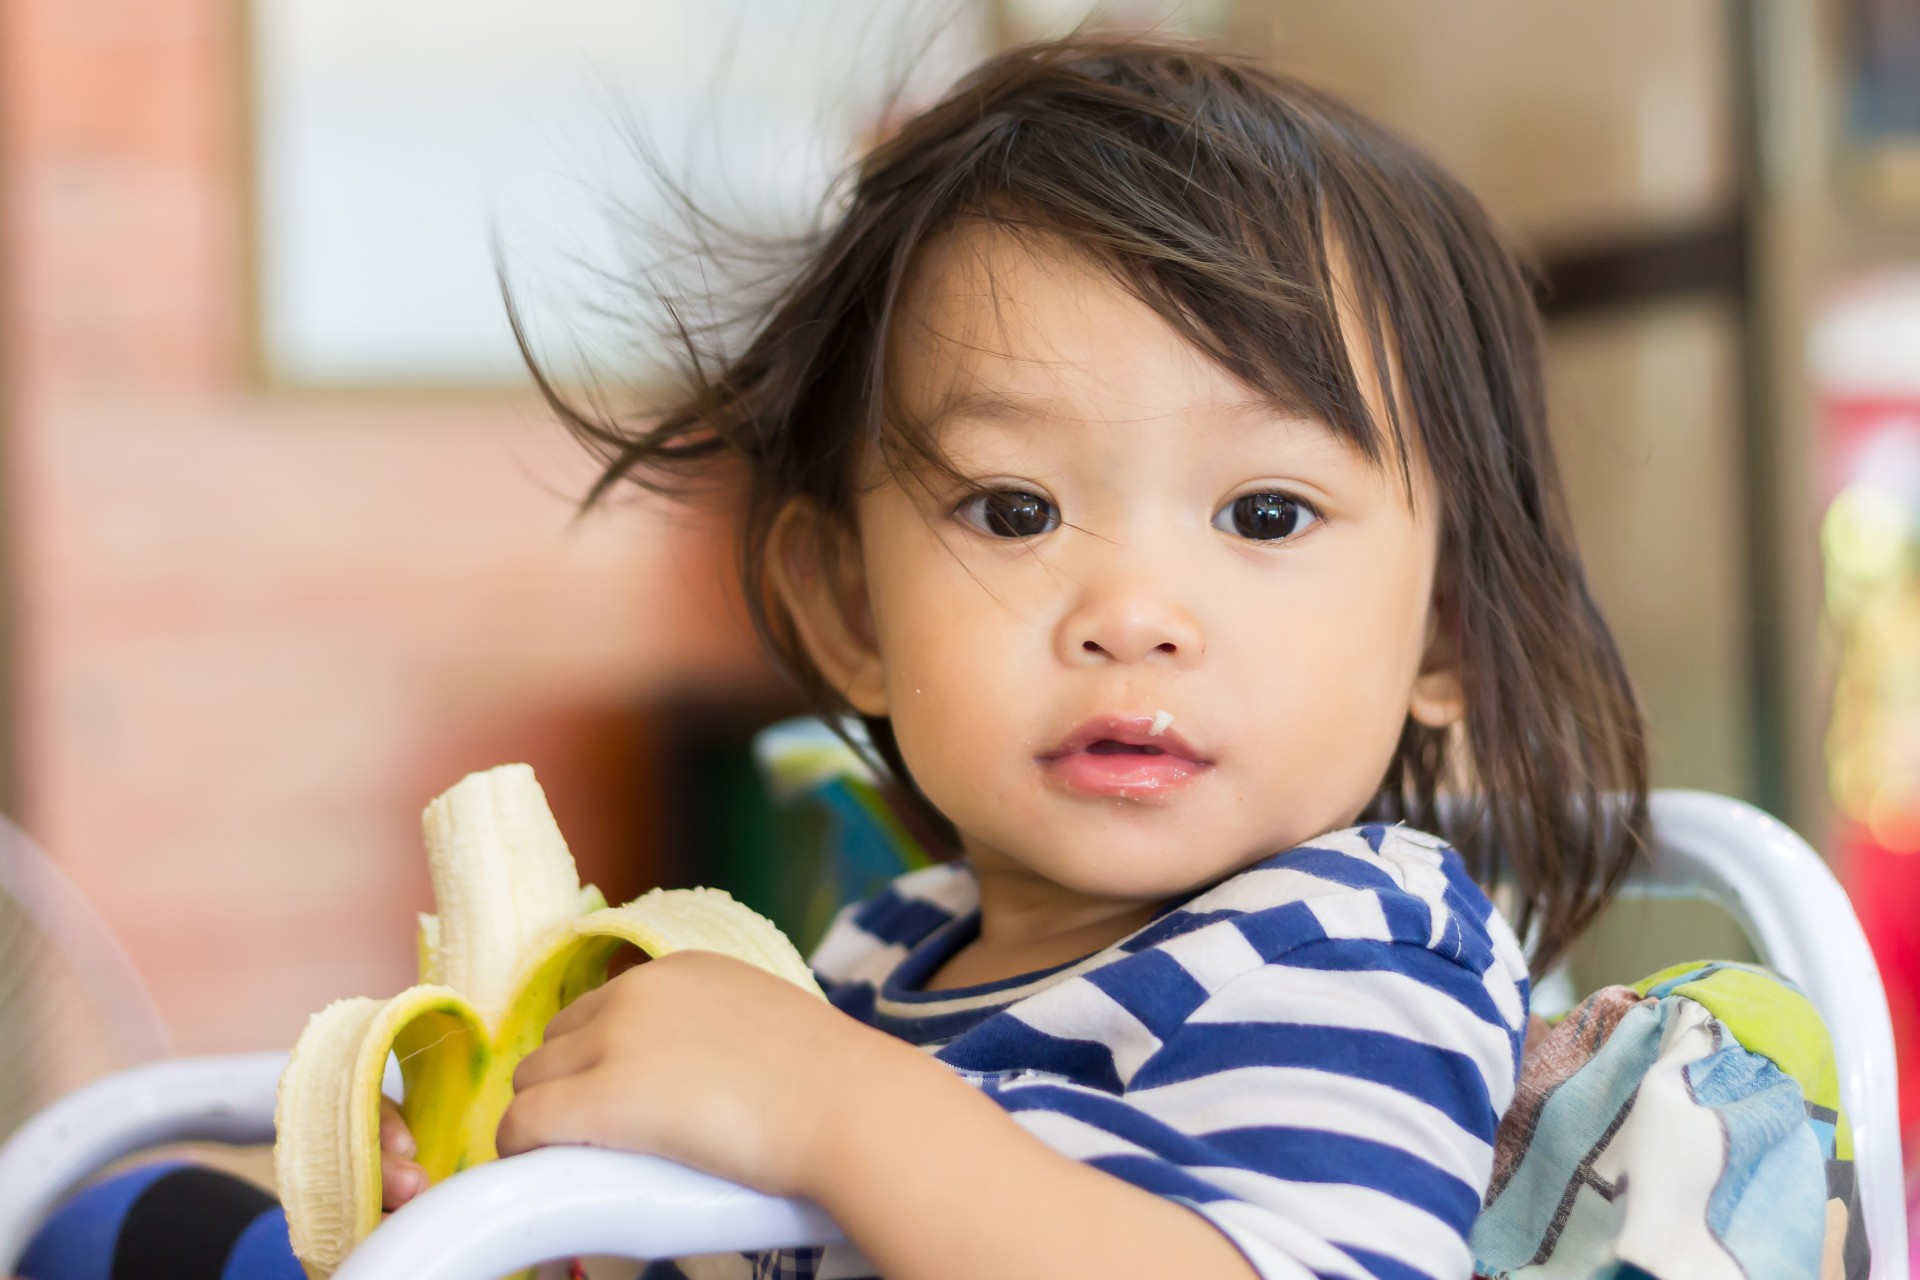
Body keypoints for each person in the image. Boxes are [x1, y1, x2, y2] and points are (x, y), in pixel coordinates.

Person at [20, 33, 1648, 1280]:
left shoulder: (1353, 944)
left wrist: (825, 1109)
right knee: (120, 1225)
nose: (1135, 609)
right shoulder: (889, 953)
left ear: (1443, 634)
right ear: (848, 611)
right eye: (1016, 508)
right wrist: (546, 1206)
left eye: (1268, 514)